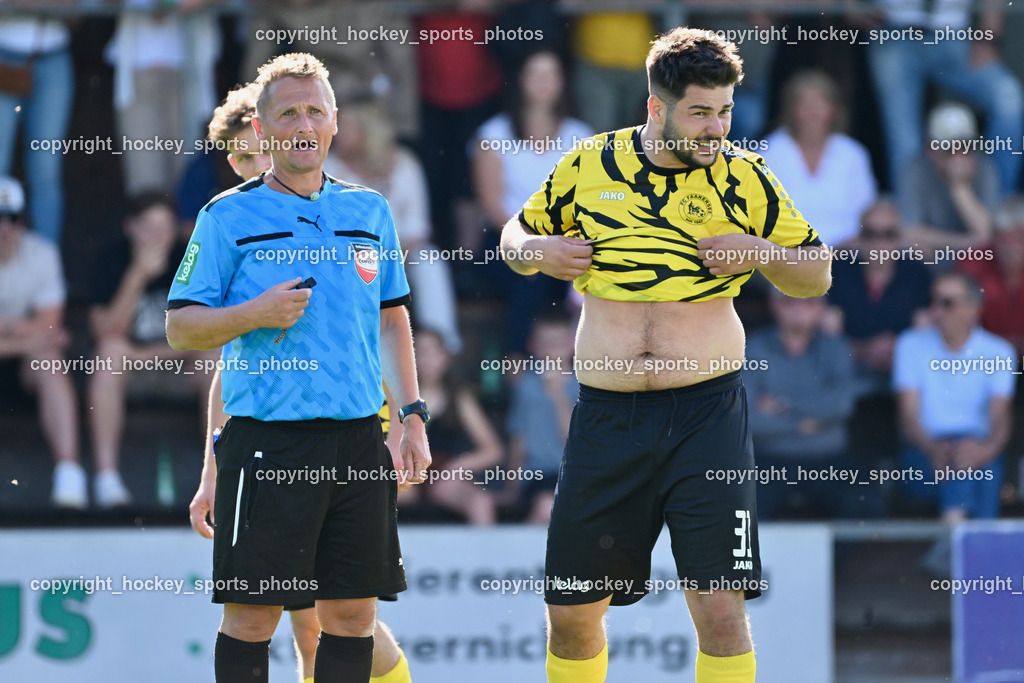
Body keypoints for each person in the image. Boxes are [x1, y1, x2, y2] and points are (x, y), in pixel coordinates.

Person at [501, 28, 830, 683]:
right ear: (657, 108)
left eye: (725, 111)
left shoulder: (746, 177)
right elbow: (515, 235)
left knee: (718, 602)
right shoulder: (588, 165)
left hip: (706, 416)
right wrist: (536, 252)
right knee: (570, 608)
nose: (716, 129)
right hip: (605, 417)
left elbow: (817, 272)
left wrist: (761, 253)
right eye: (700, 113)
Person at [166, 53, 430, 683]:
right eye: (288, 112)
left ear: (335, 122)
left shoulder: (370, 212)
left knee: (349, 617)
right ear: (262, 130)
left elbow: (393, 320)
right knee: (253, 620)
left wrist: (413, 416)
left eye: (315, 109)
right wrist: (254, 311)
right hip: (267, 444)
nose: (303, 122)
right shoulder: (225, 216)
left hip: (359, 440)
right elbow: (180, 327)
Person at [86, 192, 217, 508]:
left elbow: (205, 332)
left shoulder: (189, 260)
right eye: (148, 226)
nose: (158, 236)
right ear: (130, 227)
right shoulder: (111, 260)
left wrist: (143, 355)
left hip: (179, 367)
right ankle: (106, 477)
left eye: (165, 227)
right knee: (109, 354)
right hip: (129, 370)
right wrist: (137, 276)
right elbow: (105, 330)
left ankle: (218, 477)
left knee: (216, 357)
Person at [471, 49, 592, 353]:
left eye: (550, 75)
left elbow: (589, 202)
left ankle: (588, 365)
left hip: (567, 240)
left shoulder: (581, 136)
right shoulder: (492, 134)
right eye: (535, 74)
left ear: (562, 82)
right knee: (531, 271)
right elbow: (490, 204)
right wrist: (535, 242)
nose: (543, 83)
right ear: (521, 81)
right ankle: (515, 363)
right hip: (504, 242)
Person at [326, 97, 461, 353]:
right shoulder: (329, 167)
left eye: (348, 126)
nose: (338, 132)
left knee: (430, 262)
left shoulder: (405, 163)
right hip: (350, 254)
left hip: (403, 251)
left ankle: (441, 345)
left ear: (369, 129)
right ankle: (354, 348)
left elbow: (418, 226)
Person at [894, 271, 1015, 522]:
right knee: (979, 473)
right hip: (923, 453)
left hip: (978, 450)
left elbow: (1000, 415)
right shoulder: (910, 345)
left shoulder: (999, 352)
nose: (937, 310)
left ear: (973, 309)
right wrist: (933, 448)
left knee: (972, 467)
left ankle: (951, 540)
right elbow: (907, 416)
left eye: (947, 303)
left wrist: (986, 450)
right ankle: (971, 552)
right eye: (933, 301)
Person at [744, 292, 867, 520]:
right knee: (739, 507)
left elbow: (842, 404)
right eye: (789, 301)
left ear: (822, 307)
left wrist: (781, 404)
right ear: (774, 305)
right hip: (769, 460)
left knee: (864, 502)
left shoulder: (837, 347)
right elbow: (746, 418)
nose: (799, 309)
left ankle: (835, 558)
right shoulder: (754, 347)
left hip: (828, 459)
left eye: (809, 301)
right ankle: (764, 558)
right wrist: (802, 426)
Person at [0, 176, 82, 507]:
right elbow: (45, 332)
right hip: (25, 350)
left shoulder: (42, 253)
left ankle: (69, 474)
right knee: (45, 349)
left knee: (48, 360)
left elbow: (50, 326)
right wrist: (26, 333)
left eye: (11, 218)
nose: (4, 228)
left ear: (23, 220)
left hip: (24, 370)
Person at [395, 328, 503, 525]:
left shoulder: (459, 398)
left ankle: (485, 556)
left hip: (444, 476)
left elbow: (493, 450)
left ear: (446, 357)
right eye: (417, 351)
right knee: (371, 498)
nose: (424, 359)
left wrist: (457, 467)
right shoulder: (396, 396)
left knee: (482, 502)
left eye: (431, 352)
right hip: (405, 475)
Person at [763, 70, 877, 247]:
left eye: (820, 103)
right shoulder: (769, 153)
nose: (813, 112)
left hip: (846, 255)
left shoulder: (853, 154)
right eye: (805, 104)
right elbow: (763, 217)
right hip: (786, 255)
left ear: (833, 108)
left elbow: (868, 218)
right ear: (792, 110)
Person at [828, 199, 931, 393]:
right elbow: (829, 334)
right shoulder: (840, 271)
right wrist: (865, 350)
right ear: (858, 238)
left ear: (900, 238)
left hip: (905, 368)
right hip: (852, 365)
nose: (879, 242)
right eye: (870, 234)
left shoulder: (916, 272)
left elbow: (924, 330)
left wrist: (897, 350)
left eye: (888, 234)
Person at [0, 15, 74, 244]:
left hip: (52, 55)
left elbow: (81, 12)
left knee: (45, 171)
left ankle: (47, 266)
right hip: (4, 54)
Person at [505, 310, 578, 525]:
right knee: (547, 506)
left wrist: (559, 398)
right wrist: (512, 487)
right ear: (533, 345)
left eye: (557, 344)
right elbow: (518, 440)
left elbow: (573, 441)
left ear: (571, 345)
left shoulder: (584, 387)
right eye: (545, 344)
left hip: (576, 474)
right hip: (537, 476)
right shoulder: (526, 386)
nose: (551, 352)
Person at [900, 103, 1000, 260]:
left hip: (973, 261)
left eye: (966, 146)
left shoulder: (986, 168)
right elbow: (909, 233)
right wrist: (963, 243)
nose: (959, 155)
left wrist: (959, 186)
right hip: (932, 260)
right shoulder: (915, 170)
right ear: (930, 149)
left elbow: (986, 235)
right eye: (950, 148)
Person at [958, 196, 1024, 355]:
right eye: (1004, 238)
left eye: (1019, 238)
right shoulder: (973, 262)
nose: (1011, 246)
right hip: (984, 358)